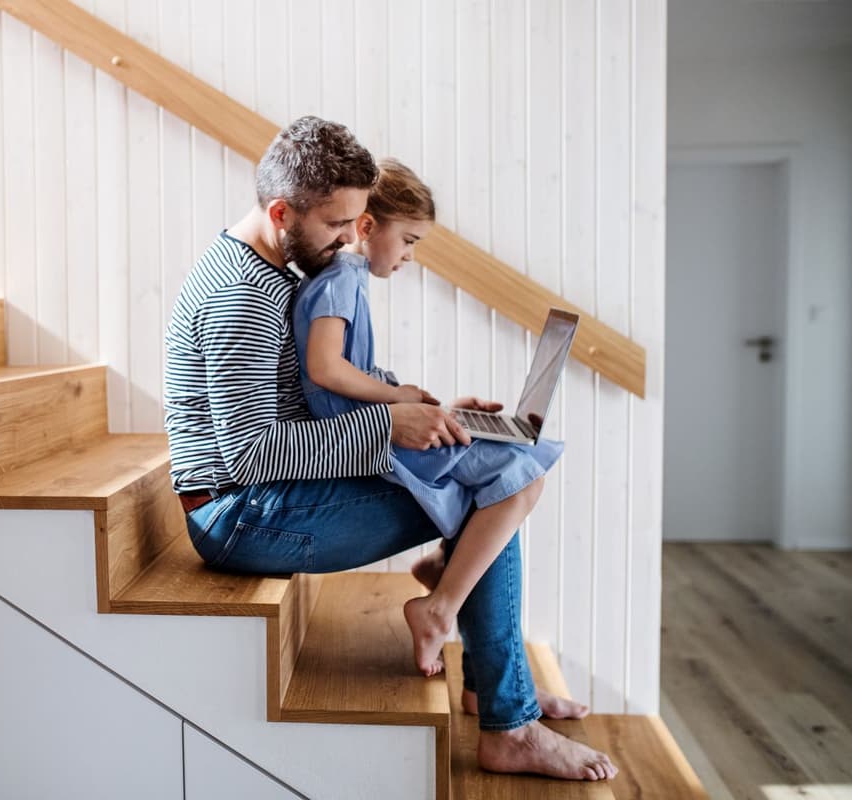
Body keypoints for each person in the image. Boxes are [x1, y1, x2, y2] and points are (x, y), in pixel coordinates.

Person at [163, 115, 617, 782]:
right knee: (491, 487)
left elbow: (316, 400)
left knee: (487, 470)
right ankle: (509, 722)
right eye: (337, 224)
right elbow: (250, 455)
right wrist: (390, 429)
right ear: (282, 212)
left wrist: (429, 417)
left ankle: (494, 687)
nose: (351, 236)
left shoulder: (275, 265)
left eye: (356, 220)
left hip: (272, 494)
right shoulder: (242, 296)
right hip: (240, 515)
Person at [291, 158, 564, 679]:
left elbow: (346, 368)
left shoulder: (346, 278)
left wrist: (427, 406)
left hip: (376, 423)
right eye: (409, 240)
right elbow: (325, 368)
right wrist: (398, 397)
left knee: (510, 463)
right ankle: (439, 608)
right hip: (367, 437)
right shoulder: (341, 279)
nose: (410, 256)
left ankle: (443, 566)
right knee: (522, 478)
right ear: (367, 226)